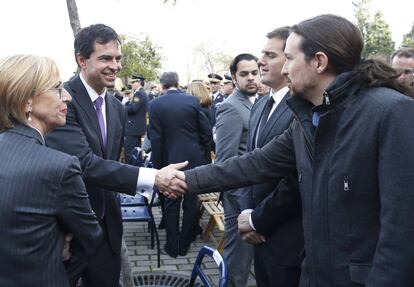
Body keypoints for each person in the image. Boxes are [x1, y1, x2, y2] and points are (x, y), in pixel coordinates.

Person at [164, 14, 414, 286]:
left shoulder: (390, 113)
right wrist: (184, 179)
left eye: (290, 59)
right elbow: (254, 164)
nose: (284, 70)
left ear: (318, 62)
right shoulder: (308, 119)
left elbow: (401, 232)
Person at [46, 24, 186, 286]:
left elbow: (112, 163)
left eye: (118, 58)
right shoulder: (63, 101)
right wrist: (153, 178)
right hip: (68, 231)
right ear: (81, 60)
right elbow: (84, 164)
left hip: (108, 229)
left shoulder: (116, 107)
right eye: (105, 58)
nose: (115, 65)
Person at [0, 54, 102, 287]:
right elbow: (91, 238)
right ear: (27, 100)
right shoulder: (59, 166)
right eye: (57, 89)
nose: (67, 97)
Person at [239, 27, 303, 287]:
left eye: (270, 55)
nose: (260, 62)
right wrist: (246, 211)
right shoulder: (261, 104)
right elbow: (249, 163)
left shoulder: (300, 107)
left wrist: (258, 221)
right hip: (257, 235)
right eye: (260, 54)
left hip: (287, 239)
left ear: (290, 59)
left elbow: (296, 178)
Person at [148, 72, 212, 257]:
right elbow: (206, 133)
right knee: (191, 202)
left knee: (170, 202)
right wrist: (203, 156)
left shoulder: (155, 104)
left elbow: (156, 139)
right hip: (194, 159)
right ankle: (185, 243)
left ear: (162, 85)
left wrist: (158, 166)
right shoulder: (192, 101)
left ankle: (172, 245)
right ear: (177, 83)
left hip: (169, 160)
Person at [215, 53, 260, 287]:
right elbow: (225, 162)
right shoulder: (231, 108)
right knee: (238, 262)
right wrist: (241, 203)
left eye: (254, 72)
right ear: (234, 77)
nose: (251, 78)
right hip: (240, 196)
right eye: (244, 74)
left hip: (257, 193)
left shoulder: (259, 102)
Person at [124, 74, 148, 164]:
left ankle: (129, 170)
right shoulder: (140, 92)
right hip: (137, 127)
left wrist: (124, 106)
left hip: (133, 128)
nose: (132, 84)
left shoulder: (139, 93)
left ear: (139, 82)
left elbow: (133, 109)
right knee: (136, 151)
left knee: (129, 151)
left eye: (134, 82)